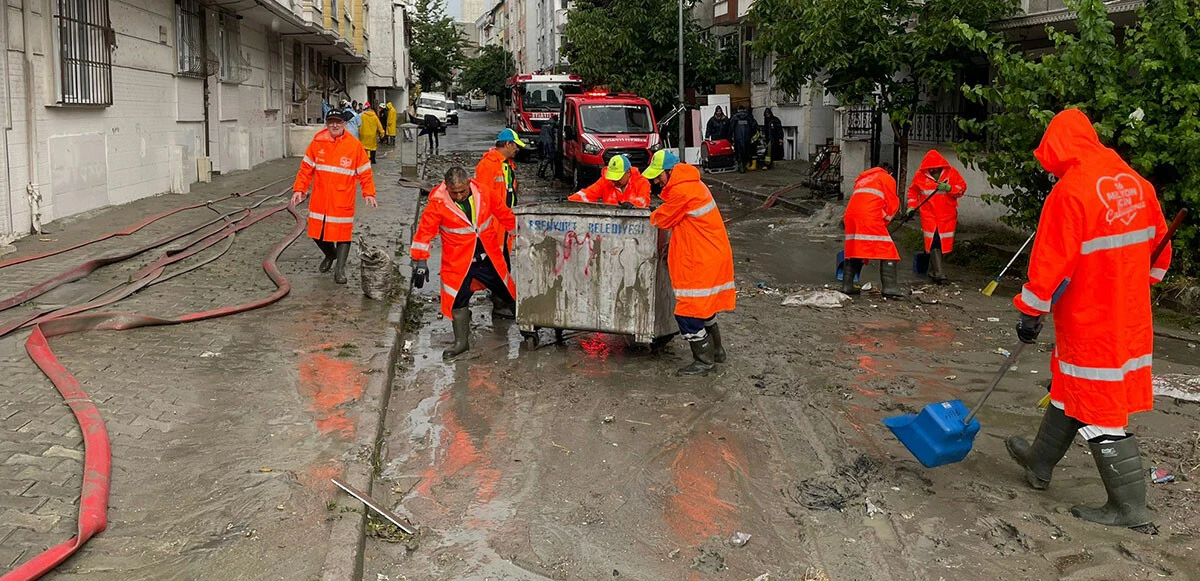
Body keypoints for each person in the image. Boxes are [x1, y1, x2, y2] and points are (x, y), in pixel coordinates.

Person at [1005, 109, 1171, 532]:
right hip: (1129, 315)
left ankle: (1129, 508)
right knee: (1070, 387)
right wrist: (1134, 283)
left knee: (1100, 408)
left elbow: (1049, 266)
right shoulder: (1137, 184)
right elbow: (1159, 250)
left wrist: (1030, 312)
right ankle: (1039, 463)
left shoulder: (1072, 192)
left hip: (1090, 318)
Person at [410, 167, 517, 360]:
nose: (459, 196)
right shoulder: (438, 203)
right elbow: (425, 232)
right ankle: (461, 342)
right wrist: (420, 261)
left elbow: (504, 213)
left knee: (508, 292)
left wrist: (522, 234)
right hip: (459, 263)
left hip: (488, 257)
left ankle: (528, 329)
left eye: (462, 191)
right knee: (458, 299)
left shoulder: (484, 192)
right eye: (454, 192)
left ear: (469, 183)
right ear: (447, 187)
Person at [645, 150, 736, 376]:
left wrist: (646, 212)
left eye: (659, 176)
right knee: (703, 308)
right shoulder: (691, 184)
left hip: (701, 259)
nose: (656, 180)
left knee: (687, 313)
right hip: (709, 254)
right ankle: (717, 352)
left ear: (670, 171)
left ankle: (704, 361)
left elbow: (662, 218)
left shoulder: (682, 190)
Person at [291, 108, 378, 284]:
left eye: (338, 122)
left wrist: (368, 192)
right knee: (317, 233)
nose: (335, 125)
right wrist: (299, 189)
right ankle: (330, 255)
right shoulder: (317, 143)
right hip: (320, 199)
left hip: (342, 199)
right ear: (327, 124)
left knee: (343, 234)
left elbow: (365, 172)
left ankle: (340, 270)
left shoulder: (354, 146)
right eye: (331, 122)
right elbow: (306, 169)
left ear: (345, 124)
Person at [842, 163, 903, 298]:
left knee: (856, 250)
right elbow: (892, 203)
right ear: (890, 172)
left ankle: (847, 285)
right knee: (889, 251)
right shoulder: (887, 178)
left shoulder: (863, 179)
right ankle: (890, 287)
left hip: (850, 216)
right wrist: (885, 221)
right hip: (869, 216)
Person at [905, 150, 967, 282]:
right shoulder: (920, 175)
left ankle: (933, 271)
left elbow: (961, 188)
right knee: (934, 242)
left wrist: (950, 188)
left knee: (940, 243)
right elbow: (913, 192)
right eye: (930, 168)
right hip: (929, 215)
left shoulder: (951, 173)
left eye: (935, 168)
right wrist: (911, 206)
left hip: (947, 215)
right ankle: (938, 273)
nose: (932, 170)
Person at [475, 128, 524, 254]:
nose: (517, 149)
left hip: (504, 220)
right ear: (508, 144)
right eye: (516, 145)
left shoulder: (506, 164)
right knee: (494, 256)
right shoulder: (488, 165)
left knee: (503, 256)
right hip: (494, 223)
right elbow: (481, 199)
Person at [568, 155, 650, 208]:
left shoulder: (642, 182)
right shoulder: (606, 181)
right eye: (613, 177)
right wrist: (568, 200)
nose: (614, 181)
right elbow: (588, 194)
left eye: (618, 178)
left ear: (628, 172)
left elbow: (644, 201)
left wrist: (632, 205)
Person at [730, 105, 758, 173]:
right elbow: (754, 126)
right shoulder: (749, 117)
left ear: (738, 110)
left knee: (739, 152)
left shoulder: (735, 117)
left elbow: (731, 128)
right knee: (747, 151)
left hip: (738, 138)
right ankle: (746, 165)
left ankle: (741, 166)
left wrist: (730, 138)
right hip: (747, 138)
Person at [537, 115, 559, 179]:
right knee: (548, 157)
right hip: (548, 142)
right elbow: (555, 134)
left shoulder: (544, 123)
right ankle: (541, 173)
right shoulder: (554, 124)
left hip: (541, 141)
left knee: (541, 157)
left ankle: (540, 172)